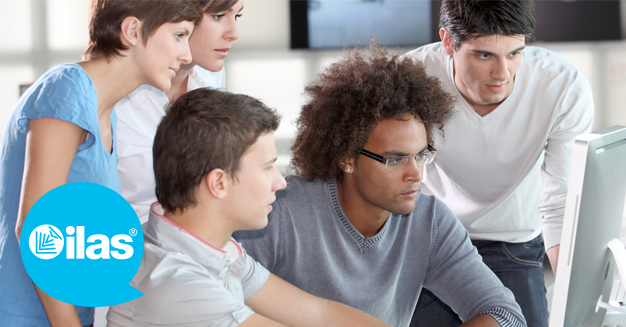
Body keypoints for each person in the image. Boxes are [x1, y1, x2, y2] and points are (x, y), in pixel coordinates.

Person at [234, 45, 527, 327]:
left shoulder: (430, 223)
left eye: (421, 155)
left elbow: (504, 313)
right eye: (395, 160)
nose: (416, 174)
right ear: (347, 158)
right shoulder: (278, 213)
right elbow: (220, 308)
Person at [107, 88, 391, 327]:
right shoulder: (172, 283)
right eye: (268, 168)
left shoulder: (213, 248)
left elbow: (319, 314)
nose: (281, 183)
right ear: (218, 182)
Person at [0, 1, 204, 326]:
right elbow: (34, 227)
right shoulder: (68, 88)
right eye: (179, 35)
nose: (186, 55)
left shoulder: (105, 113)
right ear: (133, 31)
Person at [401, 0, 595, 326]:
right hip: (433, 242)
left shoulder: (562, 88)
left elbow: (561, 203)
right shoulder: (412, 76)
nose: (502, 73)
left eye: (515, 53)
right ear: (448, 42)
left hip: (514, 243)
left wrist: (578, 302)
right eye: (484, 55)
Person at [116, 0, 243, 222]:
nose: (234, 33)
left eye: (237, 16)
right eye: (218, 16)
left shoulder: (209, 78)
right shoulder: (113, 100)